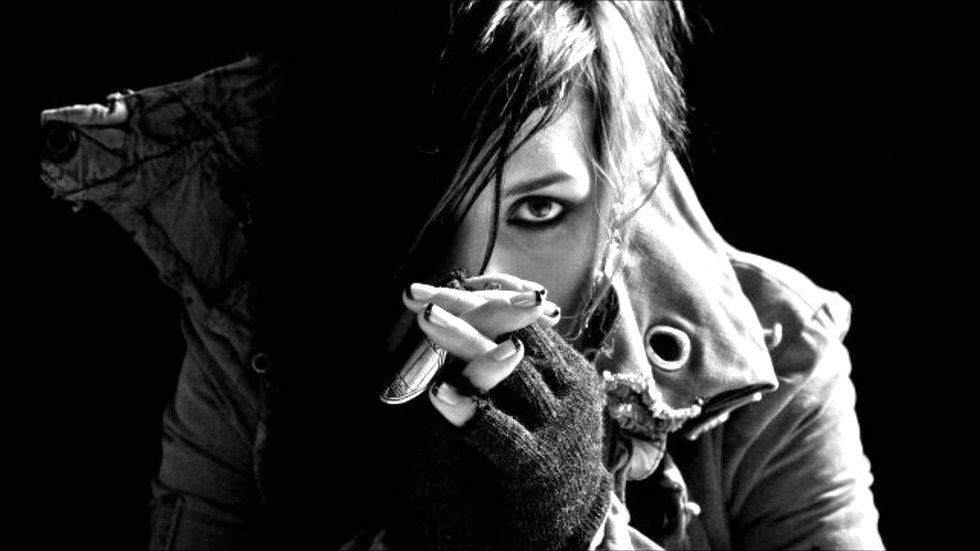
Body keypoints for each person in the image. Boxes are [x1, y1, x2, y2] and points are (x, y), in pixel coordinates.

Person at [38, 1, 884, 549]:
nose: (478, 281)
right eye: (431, 221)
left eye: (540, 211)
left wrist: (580, 531)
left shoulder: (782, 354)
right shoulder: (250, 346)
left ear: (616, 196)